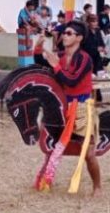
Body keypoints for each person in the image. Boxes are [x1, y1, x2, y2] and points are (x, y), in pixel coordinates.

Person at [43, 20, 102, 196]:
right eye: (64, 33)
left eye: (68, 33)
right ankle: (46, 179)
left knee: (89, 153)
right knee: (50, 143)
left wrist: (56, 66)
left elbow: (72, 80)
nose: (64, 36)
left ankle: (97, 187)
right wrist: (40, 49)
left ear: (79, 38)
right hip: (63, 107)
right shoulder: (61, 57)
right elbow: (48, 67)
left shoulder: (84, 58)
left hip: (82, 109)